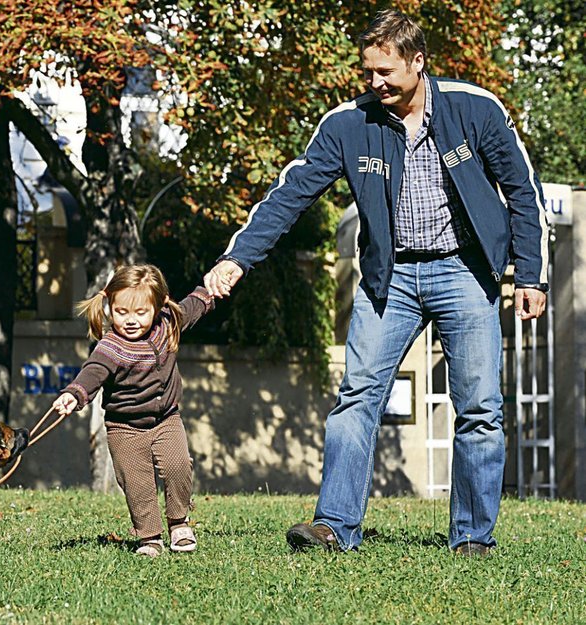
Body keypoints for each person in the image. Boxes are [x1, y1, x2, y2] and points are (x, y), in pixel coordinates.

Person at [204, 9, 549, 556]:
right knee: (357, 398)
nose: (375, 83)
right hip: (391, 279)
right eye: (368, 72)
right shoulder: (348, 123)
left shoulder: (474, 108)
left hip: (465, 271)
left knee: (480, 406)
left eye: (386, 71)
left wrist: (530, 275)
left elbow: (522, 191)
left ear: (418, 62)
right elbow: (292, 193)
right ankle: (334, 528)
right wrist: (238, 259)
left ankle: (472, 538)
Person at [53, 264, 214, 557]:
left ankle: (179, 523)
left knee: (178, 466)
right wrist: (74, 395)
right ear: (109, 307)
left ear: (158, 306)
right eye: (121, 312)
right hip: (124, 427)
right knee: (137, 482)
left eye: (140, 313)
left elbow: (192, 306)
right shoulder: (110, 347)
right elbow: (92, 373)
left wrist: (210, 290)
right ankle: (149, 537)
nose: (130, 321)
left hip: (167, 418)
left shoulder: (168, 324)